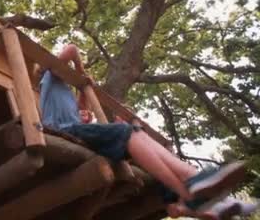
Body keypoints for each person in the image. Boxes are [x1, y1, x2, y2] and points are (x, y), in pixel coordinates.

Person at [39, 44, 255, 218]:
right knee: (127, 132)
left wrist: (83, 92)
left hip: (78, 132)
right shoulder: (50, 76)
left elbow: (82, 106)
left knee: (139, 137)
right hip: (66, 131)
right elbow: (72, 49)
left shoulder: (64, 95)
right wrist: (80, 73)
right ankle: (193, 195)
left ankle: (211, 198)